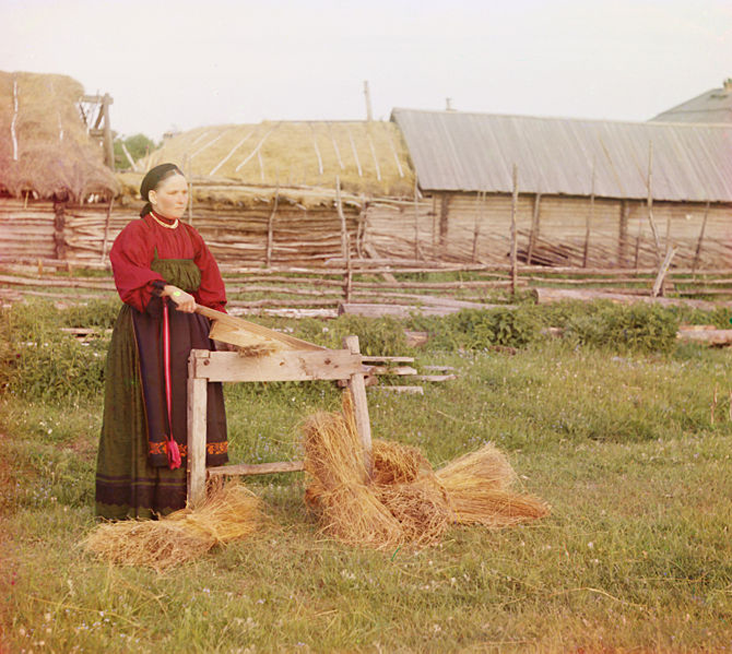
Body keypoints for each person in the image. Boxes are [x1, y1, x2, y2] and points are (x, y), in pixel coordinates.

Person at [95, 163, 229, 520]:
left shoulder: (191, 237)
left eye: (185, 192)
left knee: (191, 402)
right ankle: (146, 500)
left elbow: (211, 285)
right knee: (153, 403)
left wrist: (221, 321)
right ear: (153, 196)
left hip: (190, 334)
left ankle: (195, 498)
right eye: (173, 192)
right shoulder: (136, 232)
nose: (181, 199)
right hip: (148, 336)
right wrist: (168, 289)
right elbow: (129, 274)